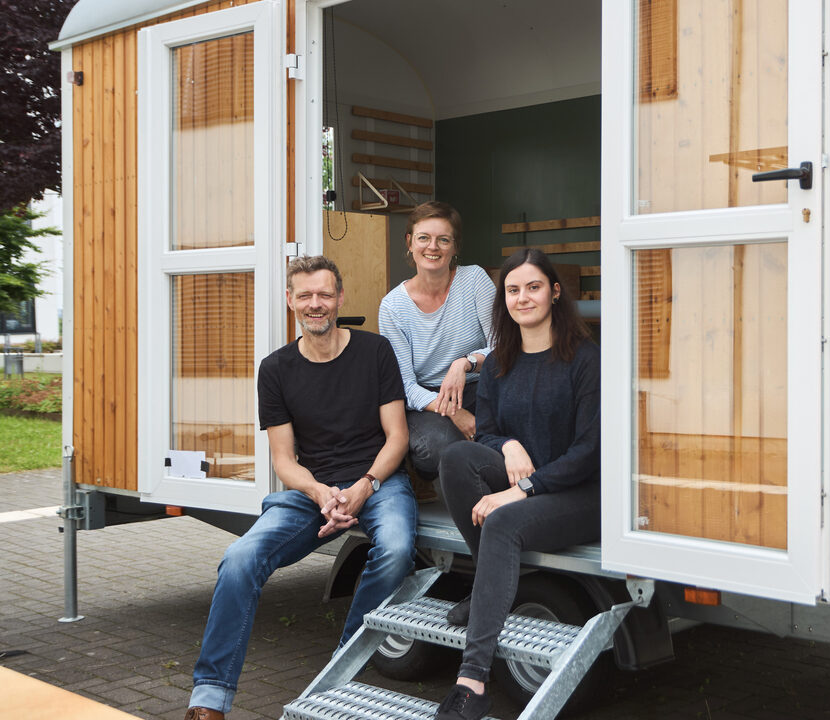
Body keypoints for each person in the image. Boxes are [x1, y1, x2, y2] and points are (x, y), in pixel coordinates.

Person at [184, 256, 416, 720]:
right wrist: (319, 493)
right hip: (313, 491)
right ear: (290, 300)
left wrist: (364, 486)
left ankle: (339, 675)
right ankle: (209, 701)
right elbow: (284, 460)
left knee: (396, 547)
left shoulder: (375, 351)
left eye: (325, 294)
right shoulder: (275, 369)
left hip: (377, 481)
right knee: (240, 559)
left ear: (340, 298)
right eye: (305, 295)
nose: (316, 304)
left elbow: (398, 437)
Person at [434, 248, 600, 720]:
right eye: (512, 290)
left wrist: (521, 490)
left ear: (555, 292)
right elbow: (484, 432)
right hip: (524, 480)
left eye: (533, 287)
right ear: (503, 299)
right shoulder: (499, 363)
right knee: (456, 457)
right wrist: (508, 446)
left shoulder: (585, 359)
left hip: (581, 493)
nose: (522, 298)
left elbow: (589, 451)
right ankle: (492, 579)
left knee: (503, 523)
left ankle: (473, 680)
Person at [378, 201, 497, 492]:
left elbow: (503, 345)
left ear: (455, 247)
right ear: (409, 242)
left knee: (512, 427)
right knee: (441, 447)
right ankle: (421, 476)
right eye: (424, 238)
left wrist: (465, 363)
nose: (433, 247)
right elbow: (405, 385)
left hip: (479, 384)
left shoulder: (474, 280)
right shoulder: (393, 307)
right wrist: (454, 412)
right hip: (427, 399)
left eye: (443, 239)